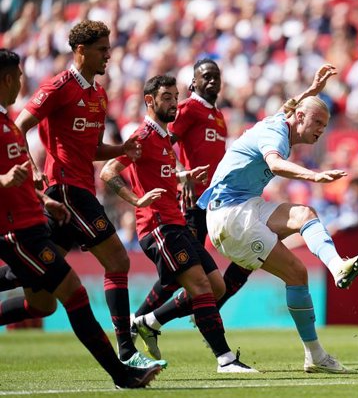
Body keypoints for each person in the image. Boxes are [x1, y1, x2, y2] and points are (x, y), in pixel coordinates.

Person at [136, 64, 358, 373]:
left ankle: (338, 265)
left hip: (244, 205)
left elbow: (290, 107)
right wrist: (314, 176)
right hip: (229, 215)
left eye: (325, 127)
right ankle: (312, 355)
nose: (320, 131)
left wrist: (313, 91)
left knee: (303, 214)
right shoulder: (275, 133)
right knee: (294, 274)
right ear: (300, 119)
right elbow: (274, 162)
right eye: (317, 123)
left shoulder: (279, 120)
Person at [5, 20, 165, 370]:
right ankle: (126, 351)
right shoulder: (59, 85)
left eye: (108, 48)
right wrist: (32, 168)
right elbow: (19, 127)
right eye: (102, 49)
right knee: (118, 261)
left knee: (41, 300)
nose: (108, 54)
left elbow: (90, 149)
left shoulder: (98, 94)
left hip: (80, 187)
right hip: (65, 189)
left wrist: (121, 148)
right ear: (81, 51)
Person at [100, 74, 256, 373]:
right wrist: (136, 201)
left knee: (217, 285)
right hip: (158, 226)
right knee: (199, 285)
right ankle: (225, 359)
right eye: (167, 98)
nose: (174, 103)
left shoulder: (161, 138)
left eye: (175, 96)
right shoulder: (143, 135)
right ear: (150, 101)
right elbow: (109, 171)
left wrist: (182, 176)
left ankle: (148, 320)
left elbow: (156, 173)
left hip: (176, 224)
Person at [132, 58, 253, 324]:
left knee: (194, 272)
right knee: (185, 272)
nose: (211, 81)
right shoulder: (188, 109)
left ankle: (149, 320)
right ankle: (142, 320)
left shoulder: (218, 115)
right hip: (190, 202)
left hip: (212, 202)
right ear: (192, 83)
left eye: (215, 76)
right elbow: (162, 142)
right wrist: (180, 175)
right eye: (205, 76)